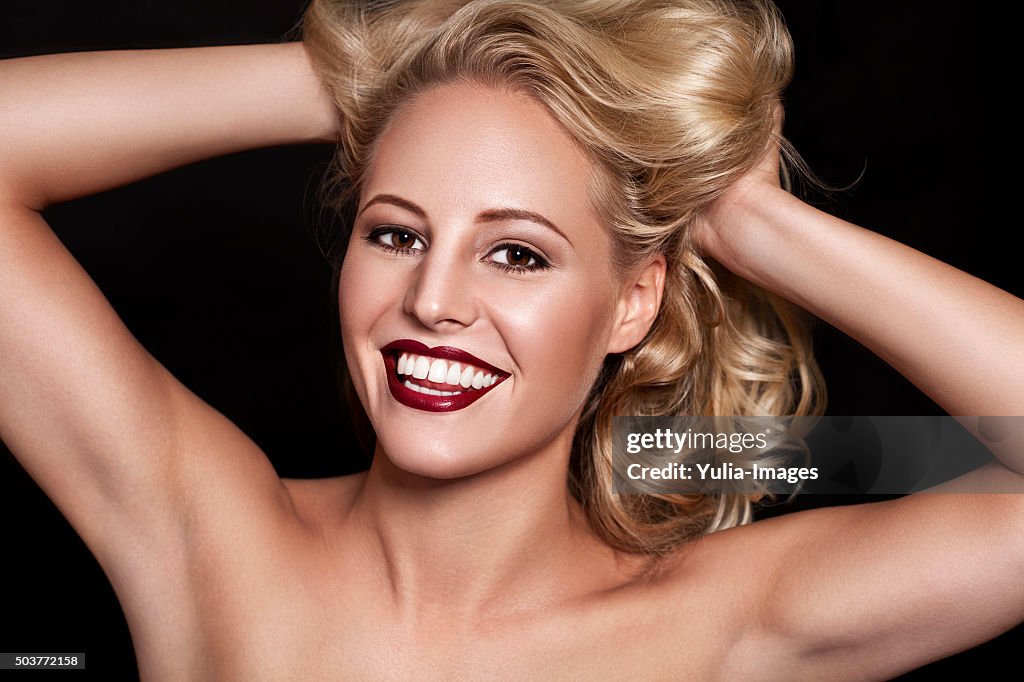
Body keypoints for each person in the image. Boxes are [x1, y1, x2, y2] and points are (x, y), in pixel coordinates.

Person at [1, 0, 1021, 679]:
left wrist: (753, 225)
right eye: (396, 232)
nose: (433, 300)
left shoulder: (717, 624)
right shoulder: (209, 540)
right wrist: (377, 79)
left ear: (633, 303)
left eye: (518, 255)